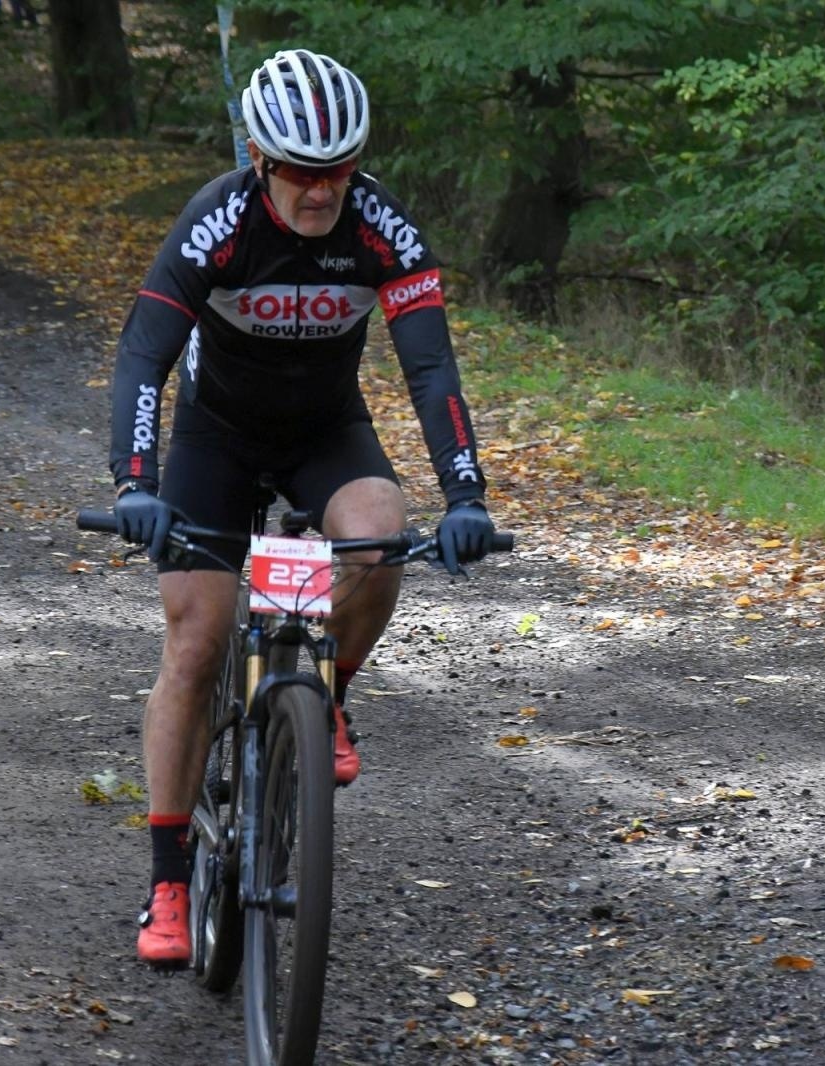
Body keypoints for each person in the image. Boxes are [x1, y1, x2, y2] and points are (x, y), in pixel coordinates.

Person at [105, 48, 499, 968]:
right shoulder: (217, 225)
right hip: (216, 437)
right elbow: (141, 357)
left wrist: (466, 495)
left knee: (376, 539)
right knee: (197, 643)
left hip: (324, 429)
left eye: (339, 171)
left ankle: (326, 698)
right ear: (257, 156)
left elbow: (431, 368)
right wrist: (135, 483)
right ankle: (167, 880)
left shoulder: (383, 229)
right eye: (300, 173)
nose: (321, 193)